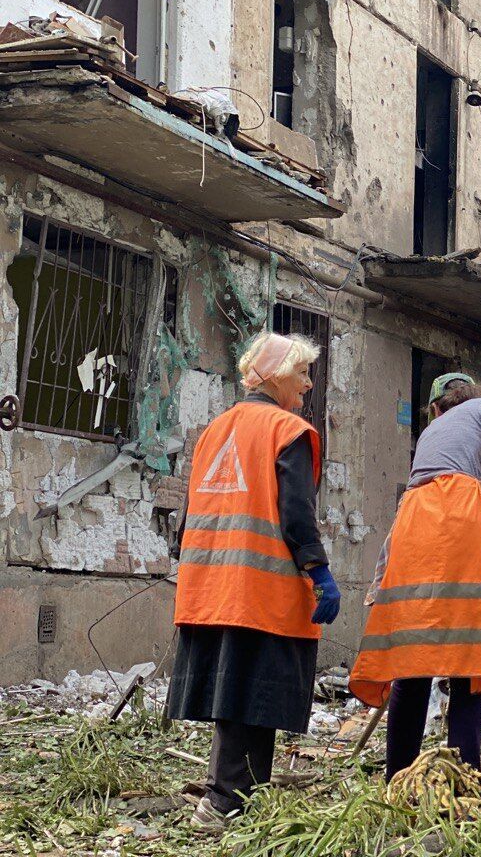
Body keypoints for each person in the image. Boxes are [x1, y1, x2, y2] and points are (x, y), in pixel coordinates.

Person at [168, 332, 338, 831]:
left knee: (239, 697)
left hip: (210, 586)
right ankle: (222, 802)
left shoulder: (215, 430)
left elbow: (193, 508)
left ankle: (242, 800)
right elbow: (297, 512)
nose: (308, 385)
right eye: (303, 373)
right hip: (262, 590)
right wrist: (319, 571)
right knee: (255, 695)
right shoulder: (288, 429)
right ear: (280, 375)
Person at [349, 382, 481, 779]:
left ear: (437, 408)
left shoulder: (430, 431)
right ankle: (464, 778)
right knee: (468, 656)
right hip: (461, 509)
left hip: (412, 516)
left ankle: (397, 778)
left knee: (413, 655)